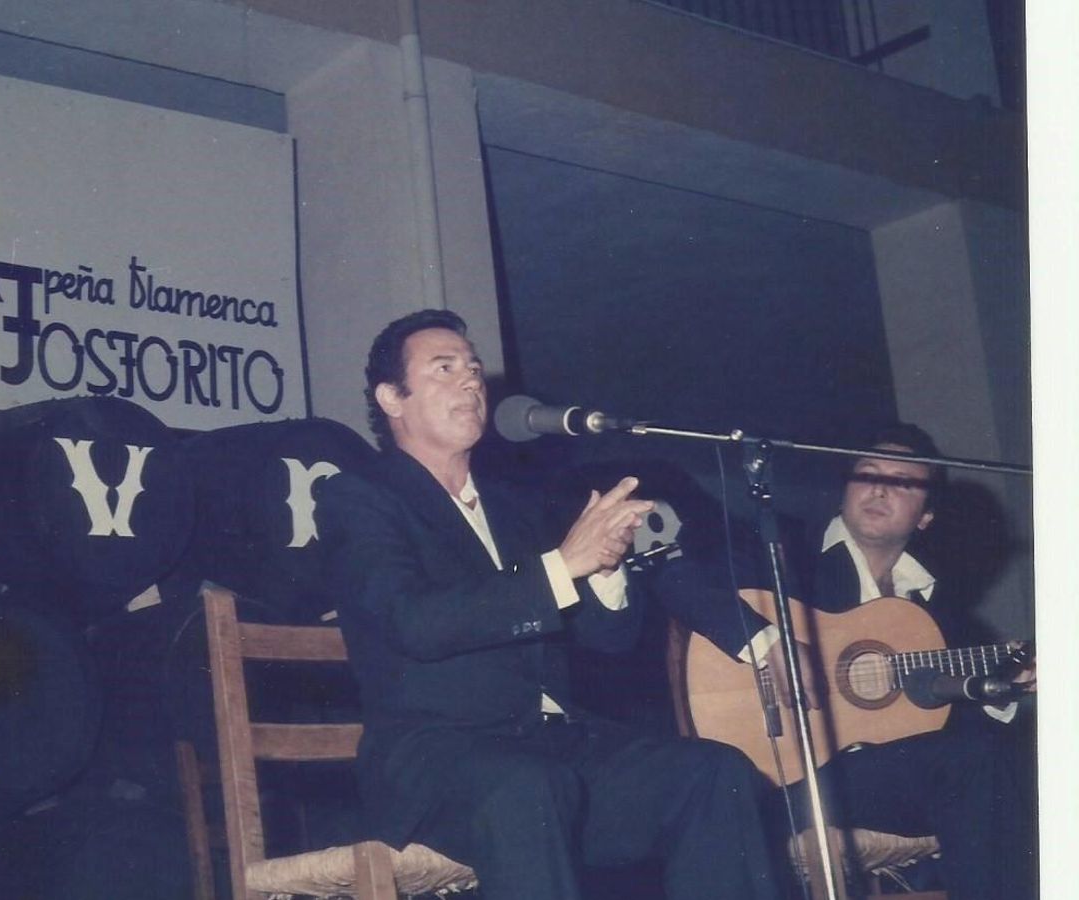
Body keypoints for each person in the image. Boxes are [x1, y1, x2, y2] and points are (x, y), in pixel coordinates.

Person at [315, 309, 779, 900]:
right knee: (526, 790)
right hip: (438, 757)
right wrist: (563, 565)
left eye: (475, 370)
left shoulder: (515, 507)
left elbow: (604, 639)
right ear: (392, 397)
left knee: (716, 774)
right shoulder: (359, 497)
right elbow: (414, 622)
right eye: (444, 368)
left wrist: (605, 569)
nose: (470, 382)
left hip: (553, 747)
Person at [661, 423, 1037, 898]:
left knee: (1006, 764)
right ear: (844, 491)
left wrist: (1007, 688)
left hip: (887, 784)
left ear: (925, 517)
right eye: (868, 473)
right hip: (783, 777)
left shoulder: (937, 614)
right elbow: (676, 579)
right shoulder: (784, 555)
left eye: (903, 482)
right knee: (976, 769)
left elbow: (968, 738)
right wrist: (766, 643)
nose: (880, 487)